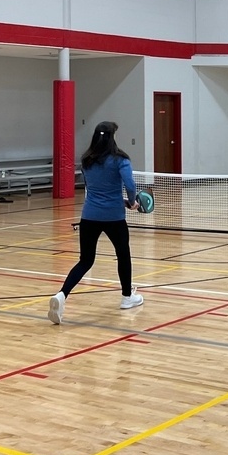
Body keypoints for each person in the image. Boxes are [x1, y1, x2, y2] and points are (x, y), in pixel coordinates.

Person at [48, 121, 143, 325]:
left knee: (85, 260)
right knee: (123, 255)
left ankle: (62, 295)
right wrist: (132, 201)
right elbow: (130, 184)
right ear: (112, 137)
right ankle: (127, 297)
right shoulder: (120, 160)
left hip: (89, 215)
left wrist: (119, 199)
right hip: (114, 217)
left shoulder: (87, 160)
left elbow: (95, 187)